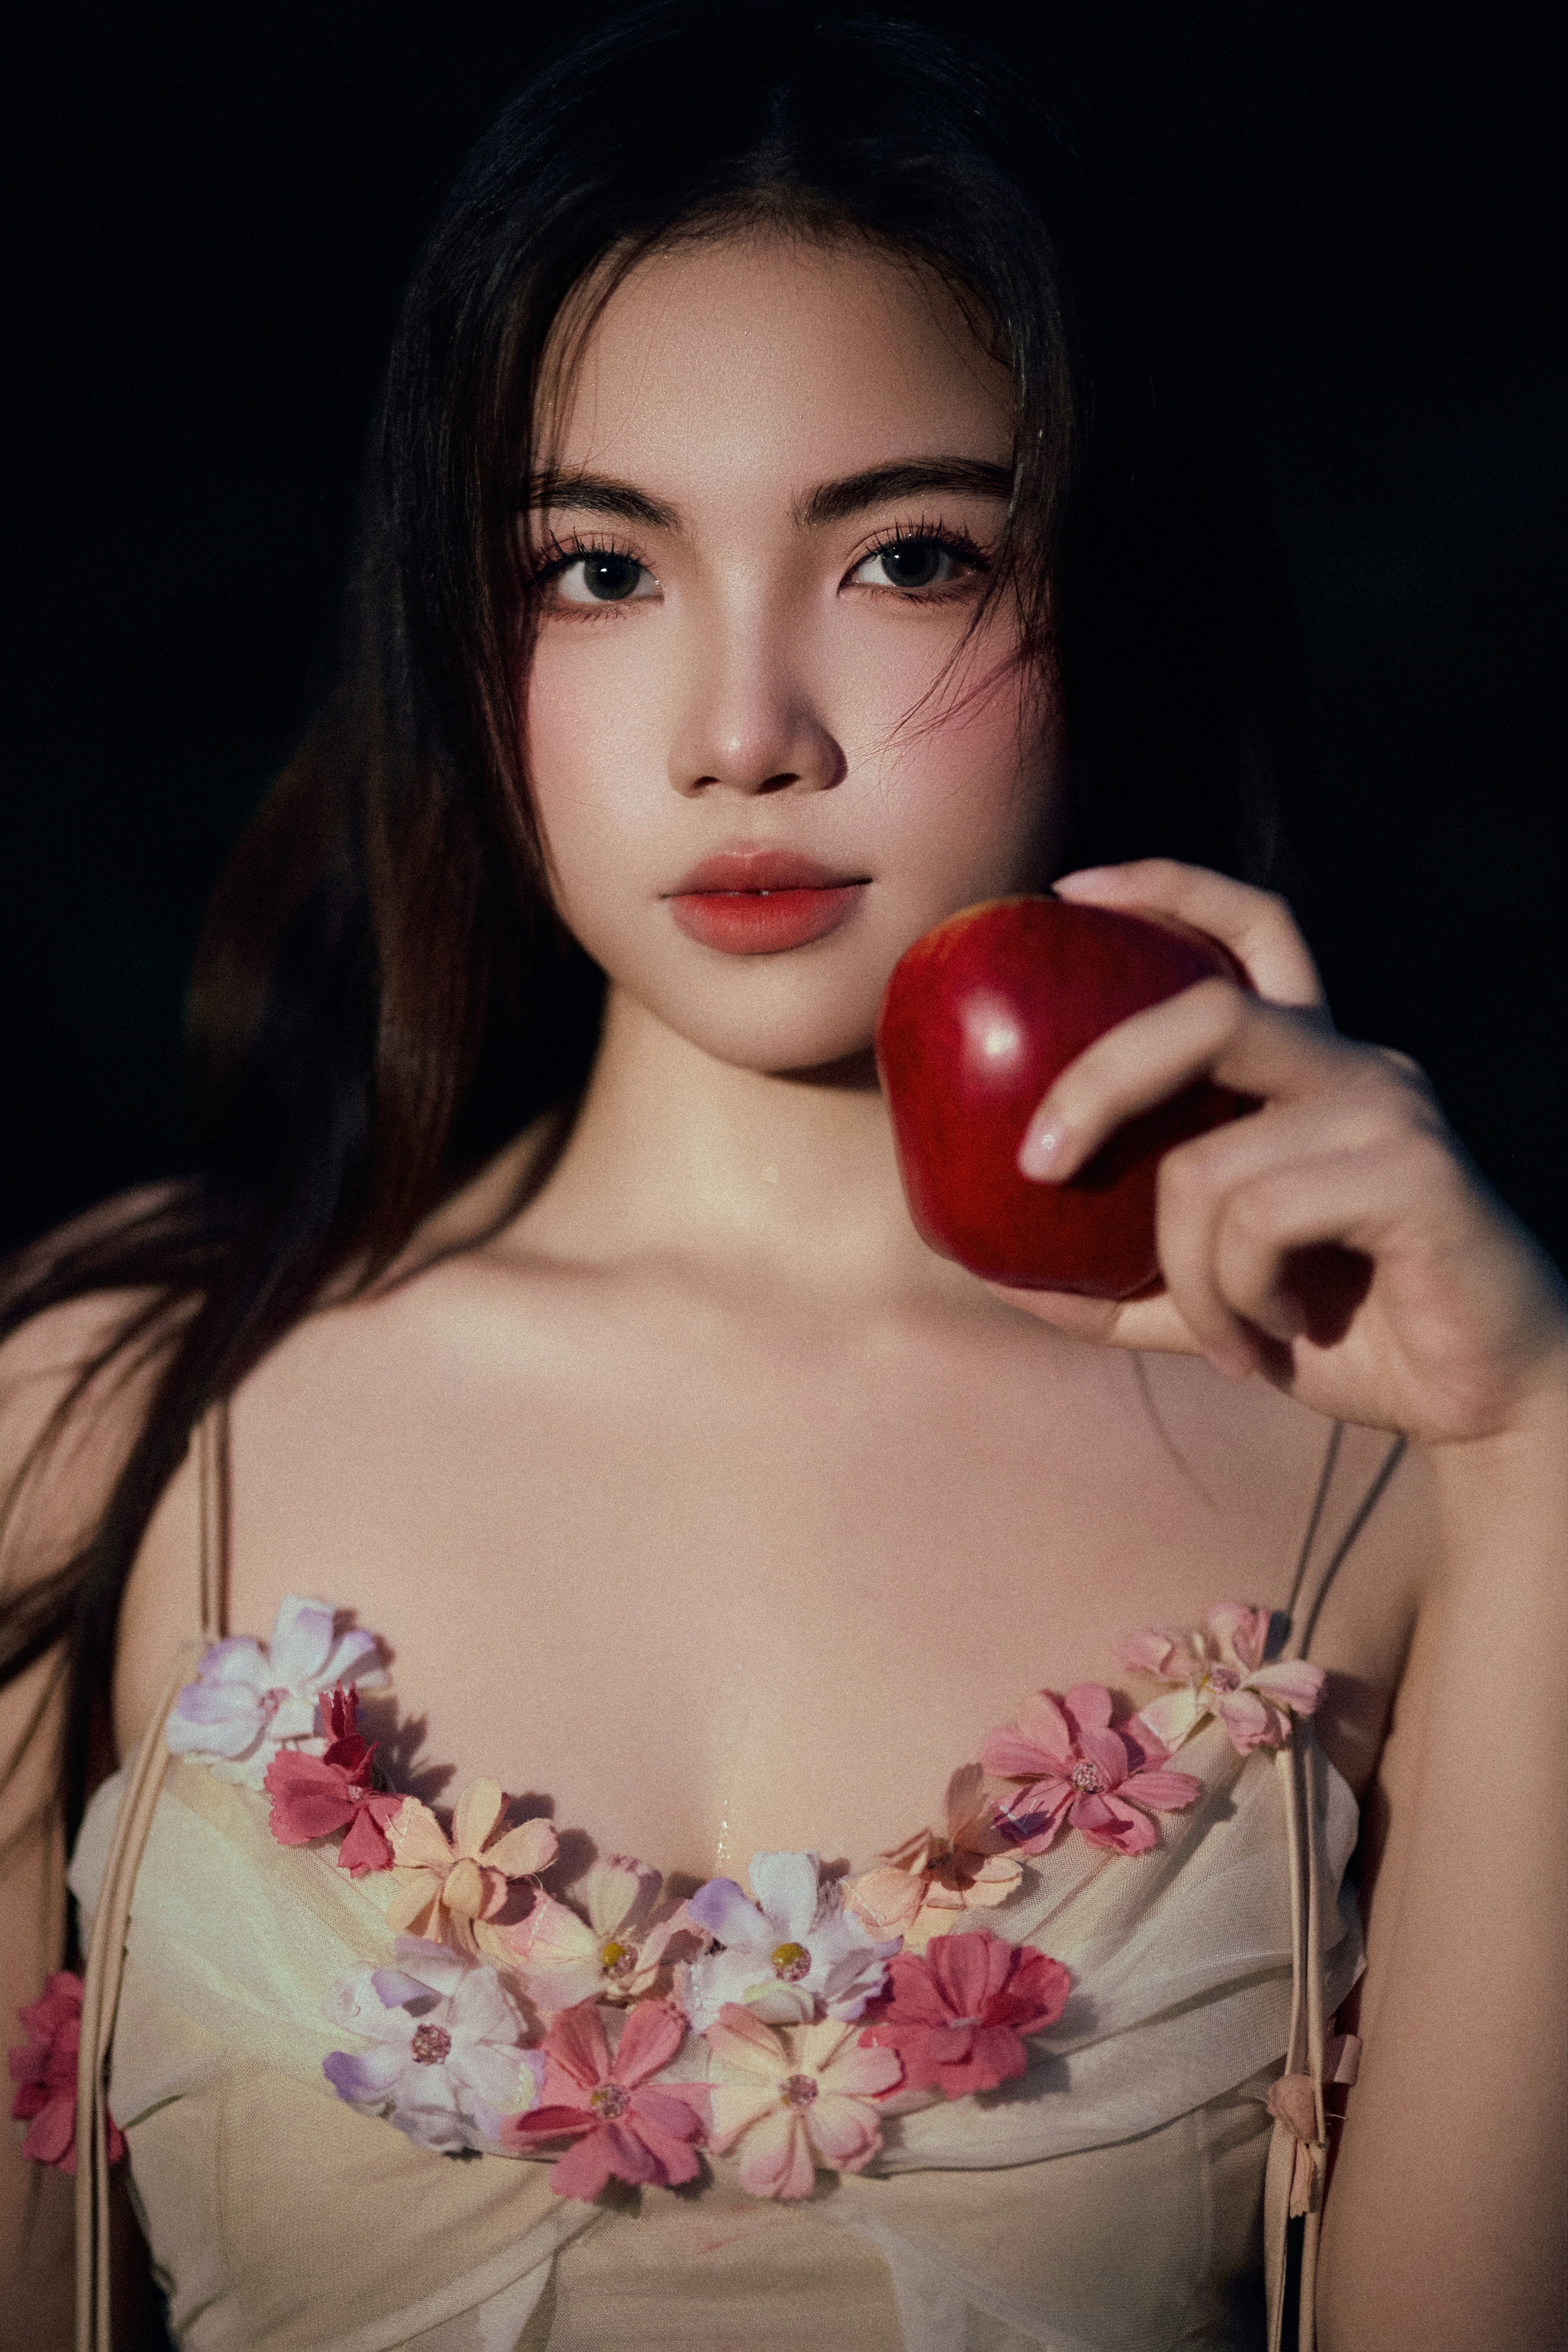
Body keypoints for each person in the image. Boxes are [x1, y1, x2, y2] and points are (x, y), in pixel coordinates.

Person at [2, 6, 1562, 2347]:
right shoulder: (108, 1416)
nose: (746, 735)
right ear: (461, 622)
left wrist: (1544, 1456)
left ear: (1102, 595)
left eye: (908, 554)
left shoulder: (1410, 1470)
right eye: (600, 570)